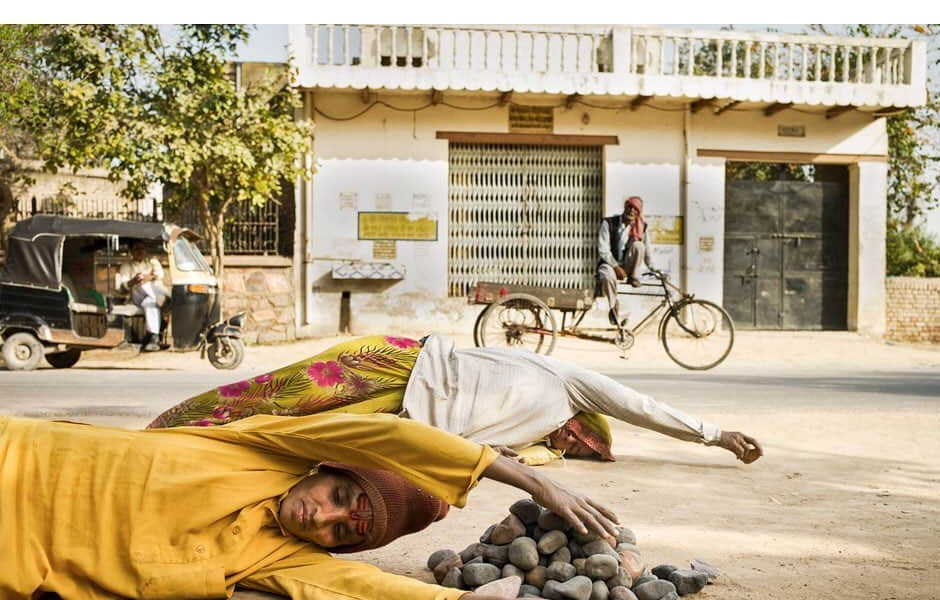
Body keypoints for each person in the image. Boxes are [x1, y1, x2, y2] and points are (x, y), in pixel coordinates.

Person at [0, 411, 616, 600]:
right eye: (340, 495)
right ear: (327, 466)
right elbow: (387, 435)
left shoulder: (277, 560)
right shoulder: (267, 446)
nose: (321, 518)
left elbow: (365, 593)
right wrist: (527, 479)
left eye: (344, 532)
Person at [148, 334, 763, 466]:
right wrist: (714, 433)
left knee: (283, 436)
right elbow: (641, 403)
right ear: (586, 424)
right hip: (401, 359)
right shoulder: (572, 382)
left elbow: (519, 461)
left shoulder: (533, 444)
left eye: (578, 450)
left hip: (406, 414)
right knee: (267, 396)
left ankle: (190, 451)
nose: (572, 445)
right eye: (584, 439)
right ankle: (165, 429)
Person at [597, 196, 654, 327]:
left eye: (636, 209)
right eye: (630, 207)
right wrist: (616, 267)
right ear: (625, 207)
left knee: (639, 246)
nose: (632, 211)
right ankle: (613, 307)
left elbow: (647, 253)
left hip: (628, 267)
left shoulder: (642, 227)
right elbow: (603, 249)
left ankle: (633, 276)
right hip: (610, 264)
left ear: (639, 212)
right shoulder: (608, 223)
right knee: (606, 274)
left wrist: (654, 270)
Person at [115, 241, 170, 352]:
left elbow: (160, 274)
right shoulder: (127, 266)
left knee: (150, 303)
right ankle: (162, 300)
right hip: (137, 295)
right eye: (136, 249)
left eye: (142, 248)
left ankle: (153, 338)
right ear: (131, 252)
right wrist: (135, 280)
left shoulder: (152, 262)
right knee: (142, 284)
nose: (140, 251)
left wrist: (148, 277)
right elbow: (124, 286)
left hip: (152, 294)